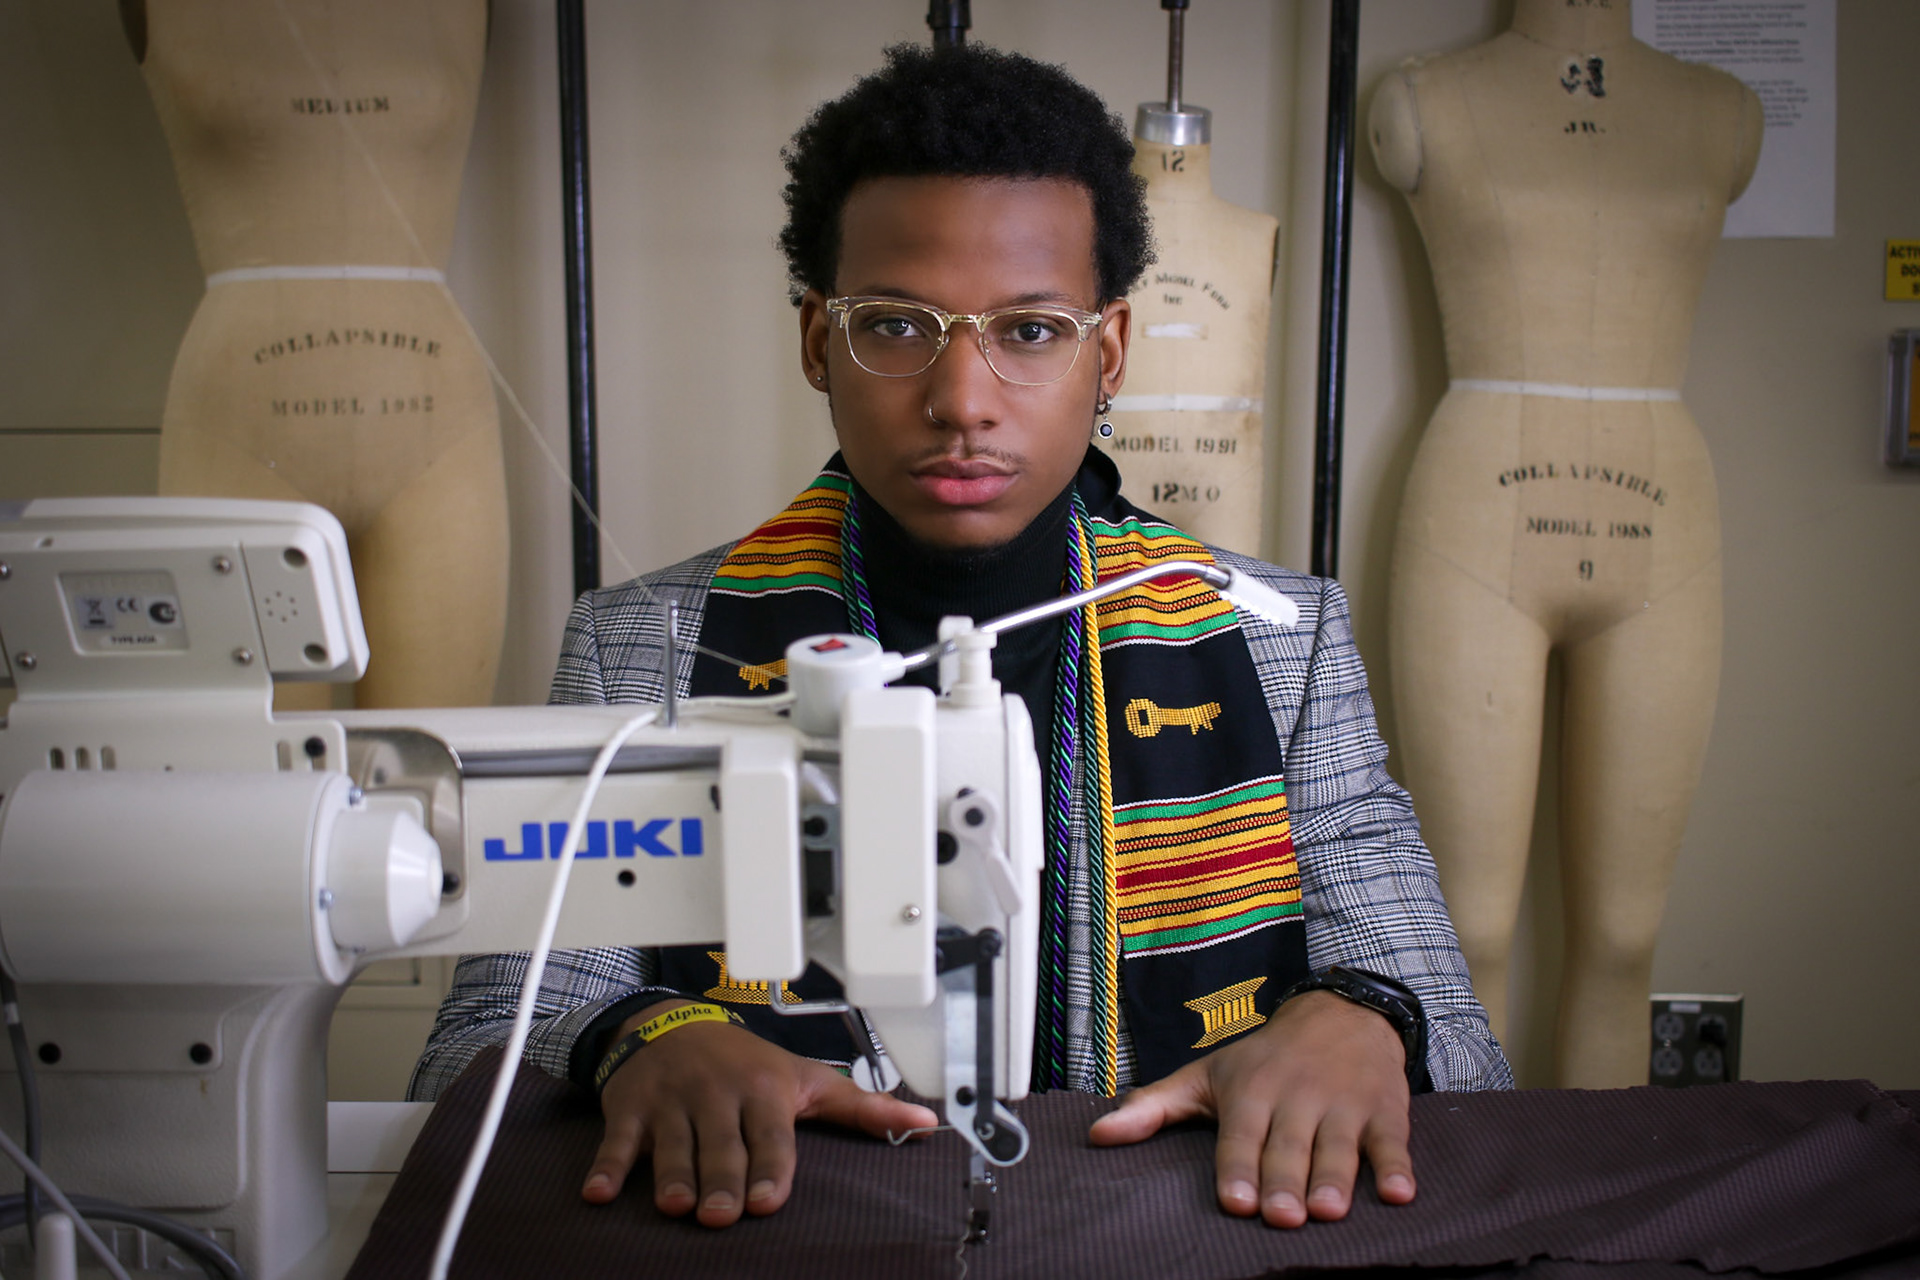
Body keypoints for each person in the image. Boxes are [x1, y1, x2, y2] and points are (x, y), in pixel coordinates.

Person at [413, 42, 1509, 1236]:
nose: (962, 400)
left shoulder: (1280, 647)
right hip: (791, 1235)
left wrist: (1363, 1019)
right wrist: (640, 1034)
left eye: (1030, 331)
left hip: (1168, 1236)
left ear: (1110, 351)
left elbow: (1465, 1047)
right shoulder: (646, 644)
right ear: (817, 342)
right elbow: (474, 1049)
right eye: (895, 325)